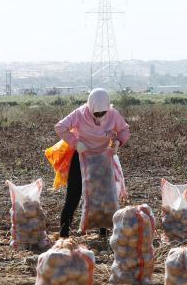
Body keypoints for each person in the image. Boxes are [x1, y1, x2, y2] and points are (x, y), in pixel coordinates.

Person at [54, 88, 130, 238]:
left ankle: (103, 230)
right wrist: (75, 143)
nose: (100, 117)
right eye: (96, 114)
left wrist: (117, 142)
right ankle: (64, 233)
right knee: (73, 196)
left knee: (103, 195)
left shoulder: (113, 115)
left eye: (103, 113)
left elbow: (124, 130)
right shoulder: (79, 114)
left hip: (103, 159)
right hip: (82, 157)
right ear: (90, 108)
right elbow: (60, 127)